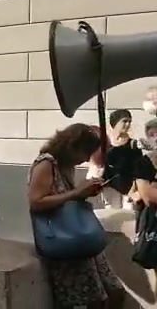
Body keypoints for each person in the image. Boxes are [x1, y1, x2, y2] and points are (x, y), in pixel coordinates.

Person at [28, 123, 125, 309]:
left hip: (77, 237)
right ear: (72, 146)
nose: (85, 159)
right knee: (90, 299)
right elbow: (36, 202)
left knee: (112, 290)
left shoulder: (66, 166)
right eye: (85, 153)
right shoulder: (46, 163)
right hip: (61, 238)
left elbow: (66, 197)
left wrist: (84, 192)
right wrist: (75, 193)